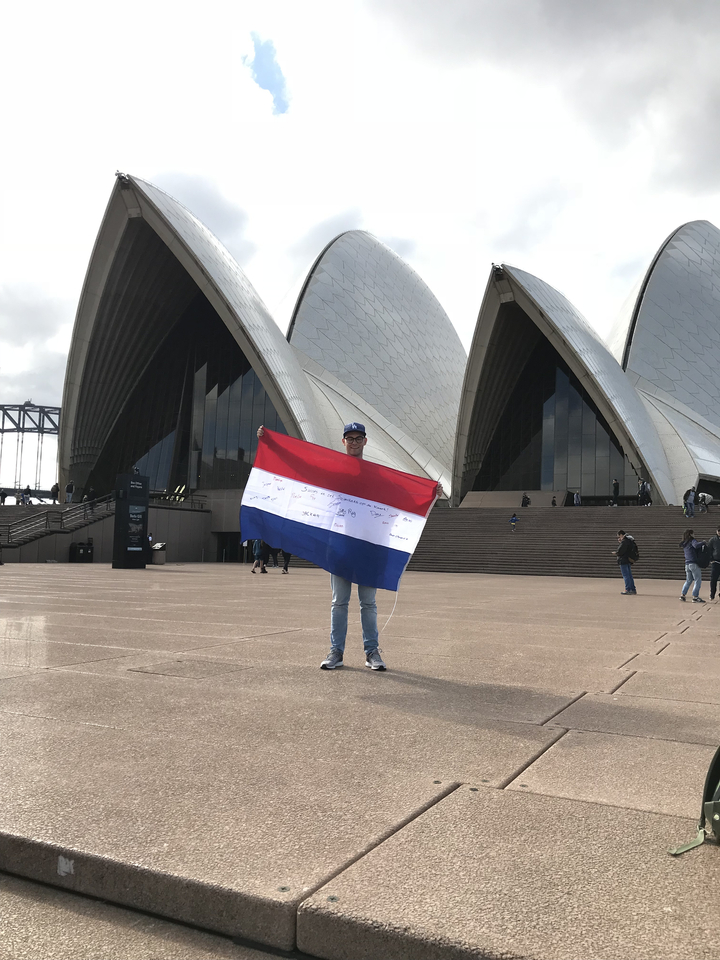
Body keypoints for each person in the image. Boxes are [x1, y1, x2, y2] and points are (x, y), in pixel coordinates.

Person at [256, 421, 443, 672]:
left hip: (369, 546)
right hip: (340, 544)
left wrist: (431, 493)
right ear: (343, 442)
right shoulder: (336, 471)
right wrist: (273, 445)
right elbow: (305, 467)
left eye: (358, 438)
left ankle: (371, 652)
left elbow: (405, 496)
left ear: (365, 441)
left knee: (368, 603)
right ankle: (336, 652)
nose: (354, 442)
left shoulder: (377, 475)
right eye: (350, 438)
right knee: (339, 602)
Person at [679, 528, 706, 602]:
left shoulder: (684, 543)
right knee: (697, 580)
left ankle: (683, 595)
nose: (694, 535)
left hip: (687, 564)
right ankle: (695, 596)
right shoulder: (692, 541)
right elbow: (696, 545)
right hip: (694, 563)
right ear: (691, 534)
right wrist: (703, 542)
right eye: (693, 533)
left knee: (688, 580)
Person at [612, 529, 638, 595]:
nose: (618, 538)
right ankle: (633, 589)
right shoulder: (630, 540)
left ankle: (628, 589)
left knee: (626, 575)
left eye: (618, 537)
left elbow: (620, 551)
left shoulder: (625, 541)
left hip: (623, 560)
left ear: (621, 535)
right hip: (628, 559)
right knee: (629, 575)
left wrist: (616, 553)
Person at [709, 527, 720, 600]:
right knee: (713, 579)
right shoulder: (713, 540)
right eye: (719, 531)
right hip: (715, 562)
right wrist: (711, 559)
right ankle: (712, 594)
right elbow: (709, 550)